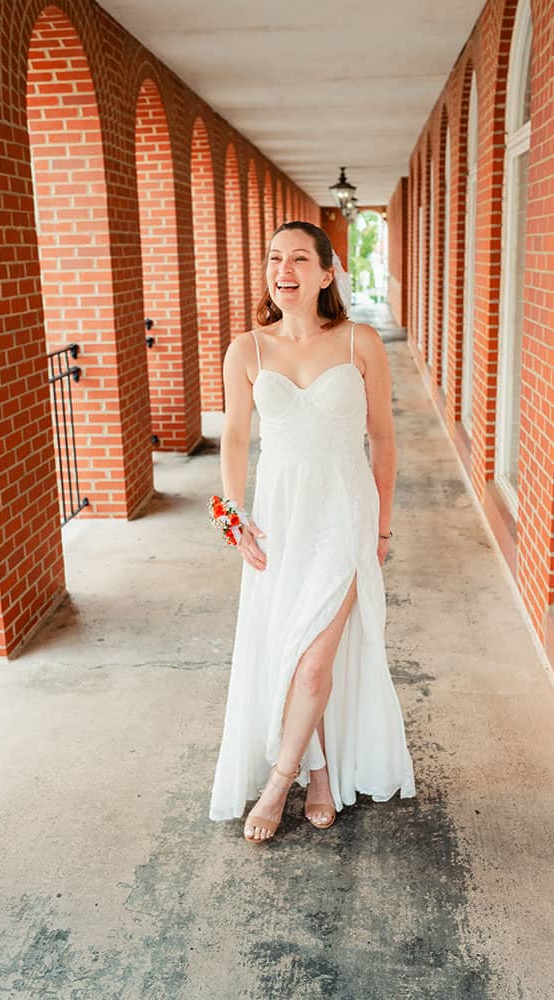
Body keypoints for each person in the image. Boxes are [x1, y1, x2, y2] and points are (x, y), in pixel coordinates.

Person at [208, 221, 416, 843]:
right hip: (278, 520)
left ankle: (279, 782)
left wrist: (380, 533)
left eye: (300, 258)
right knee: (293, 652)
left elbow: (382, 439)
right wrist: (231, 517)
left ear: (327, 273)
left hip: (343, 517)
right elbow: (237, 437)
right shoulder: (247, 349)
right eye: (275, 257)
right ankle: (320, 777)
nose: (284, 269)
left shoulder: (361, 343)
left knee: (313, 662)